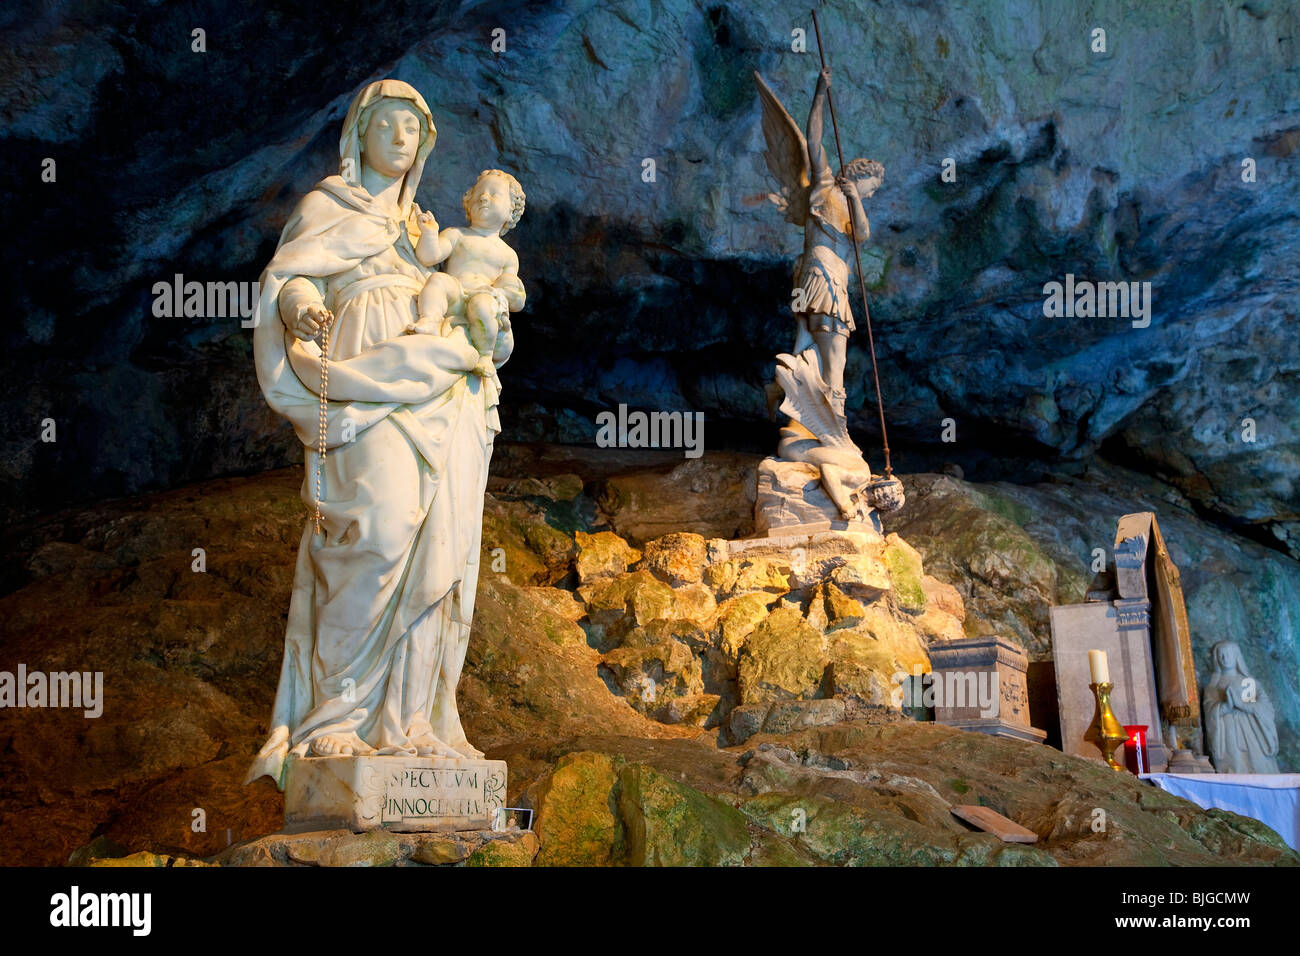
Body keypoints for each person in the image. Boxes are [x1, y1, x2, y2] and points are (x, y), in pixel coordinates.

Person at [246, 79, 504, 787]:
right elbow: (292, 279)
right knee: (377, 533)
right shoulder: (327, 208)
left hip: (441, 386)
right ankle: (333, 717)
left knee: (438, 548)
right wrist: (300, 311)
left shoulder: (429, 231)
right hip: (361, 377)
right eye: (387, 123)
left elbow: (474, 298)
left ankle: (410, 722)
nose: (400, 137)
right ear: (358, 132)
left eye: (413, 128)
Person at [792, 67, 883, 418]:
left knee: (830, 352)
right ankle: (831, 422)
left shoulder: (851, 209)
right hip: (821, 273)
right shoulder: (826, 186)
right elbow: (812, 142)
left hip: (837, 281)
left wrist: (857, 200)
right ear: (857, 176)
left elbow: (862, 234)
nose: (871, 195)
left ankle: (824, 419)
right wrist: (818, 93)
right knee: (831, 351)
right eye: (870, 189)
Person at [410, 169, 526, 384]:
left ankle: (484, 355)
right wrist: (428, 233)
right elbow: (428, 257)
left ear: (511, 210)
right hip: (456, 294)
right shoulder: (456, 234)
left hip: (482, 298)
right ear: (468, 203)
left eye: (494, 194)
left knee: (483, 306)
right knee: (438, 281)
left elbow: (513, 294)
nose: (484, 197)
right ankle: (431, 319)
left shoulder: (508, 254)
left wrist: (503, 296)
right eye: (479, 193)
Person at [1203, 640, 1280, 774]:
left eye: (1229, 654)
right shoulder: (1213, 686)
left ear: (1236, 656)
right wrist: (1225, 706)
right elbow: (1210, 711)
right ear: (1216, 659)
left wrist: (1243, 705)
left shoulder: (1248, 682)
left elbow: (1265, 707)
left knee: (1259, 764)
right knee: (1235, 765)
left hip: (1252, 731)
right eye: (1221, 655)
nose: (1225, 659)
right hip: (1228, 732)